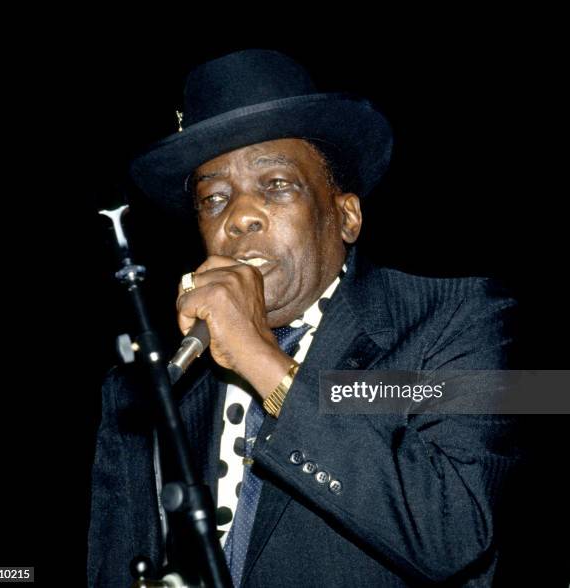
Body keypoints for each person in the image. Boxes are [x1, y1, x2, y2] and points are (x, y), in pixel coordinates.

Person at [88, 49, 524, 587]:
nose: (239, 216)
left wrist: (258, 357)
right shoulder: (152, 387)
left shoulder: (457, 319)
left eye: (276, 185)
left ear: (345, 215)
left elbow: (454, 534)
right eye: (213, 198)